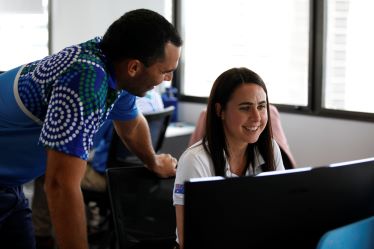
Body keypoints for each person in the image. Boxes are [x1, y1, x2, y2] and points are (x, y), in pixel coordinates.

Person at [0, 8, 182, 249]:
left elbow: (131, 125)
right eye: (165, 71)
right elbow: (60, 185)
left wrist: (153, 161)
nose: (168, 79)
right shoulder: (85, 82)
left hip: (8, 184)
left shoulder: (115, 70)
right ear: (134, 67)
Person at [31, 89, 166, 248]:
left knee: (49, 173)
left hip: (108, 176)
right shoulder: (156, 98)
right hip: (140, 176)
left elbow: (92, 152)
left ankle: (42, 236)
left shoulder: (112, 102)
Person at [172, 67, 285, 249]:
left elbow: (279, 217)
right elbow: (188, 241)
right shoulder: (194, 160)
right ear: (220, 110)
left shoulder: (270, 149)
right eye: (245, 108)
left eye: (261, 106)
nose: (256, 117)